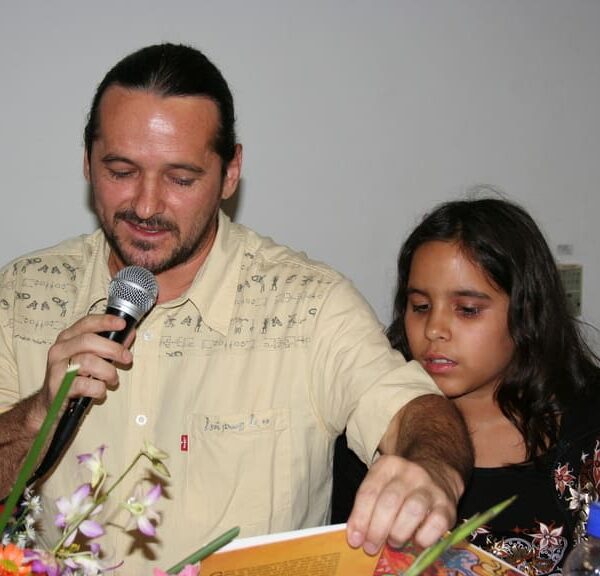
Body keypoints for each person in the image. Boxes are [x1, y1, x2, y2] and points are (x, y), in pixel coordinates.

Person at [0, 43, 472, 572]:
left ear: (230, 173)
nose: (147, 204)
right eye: (122, 171)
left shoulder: (309, 305)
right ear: (87, 161)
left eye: (181, 178)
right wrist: (40, 411)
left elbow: (420, 413)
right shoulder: (21, 294)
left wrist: (431, 469)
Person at [334, 196, 600, 575]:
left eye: (468, 310)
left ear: (527, 311)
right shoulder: (374, 432)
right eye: (420, 306)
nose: (434, 330)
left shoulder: (588, 430)